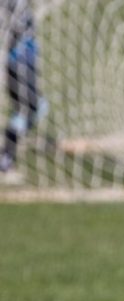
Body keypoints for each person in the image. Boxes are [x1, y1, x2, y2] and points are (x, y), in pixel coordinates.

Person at [2, 0, 41, 175]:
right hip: (17, 60)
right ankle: (6, 156)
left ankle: (7, 153)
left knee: (36, 108)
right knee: (27, 110)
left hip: (27, 56)